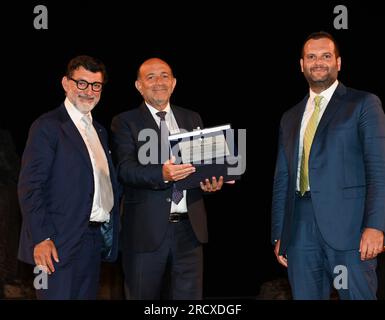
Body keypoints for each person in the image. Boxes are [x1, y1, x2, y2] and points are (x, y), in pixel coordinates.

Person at [271, 31, 385, 300]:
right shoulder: (290, 117)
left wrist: (376, 225)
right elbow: (282, 179)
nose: (318, 62)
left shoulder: (363, 104)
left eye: (326, 56)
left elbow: (378, 169)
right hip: (299, 231)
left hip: (351, 229)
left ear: (339, 62)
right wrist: (279, 234)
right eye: (311, 56)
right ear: (302, 65)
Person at [111, 57, 230, 299]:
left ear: (174, 83)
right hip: (145, 232)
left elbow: (200, 167)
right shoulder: (125, 122)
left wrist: (210, 183)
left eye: (164, 76)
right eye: (150, 77)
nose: (159, 82)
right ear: (138, 85)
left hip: (190, 230)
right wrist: (162, 174)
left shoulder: (192, 118)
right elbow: (125, 170)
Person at [17, 55, 120, 299]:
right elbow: (30, 187)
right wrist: (41, 238)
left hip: (93, 242)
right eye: (81, 83)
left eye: (96, 85)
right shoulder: (48, 126)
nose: (89, 91)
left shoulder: (100, 132)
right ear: (66, 83)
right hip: (56, 244)